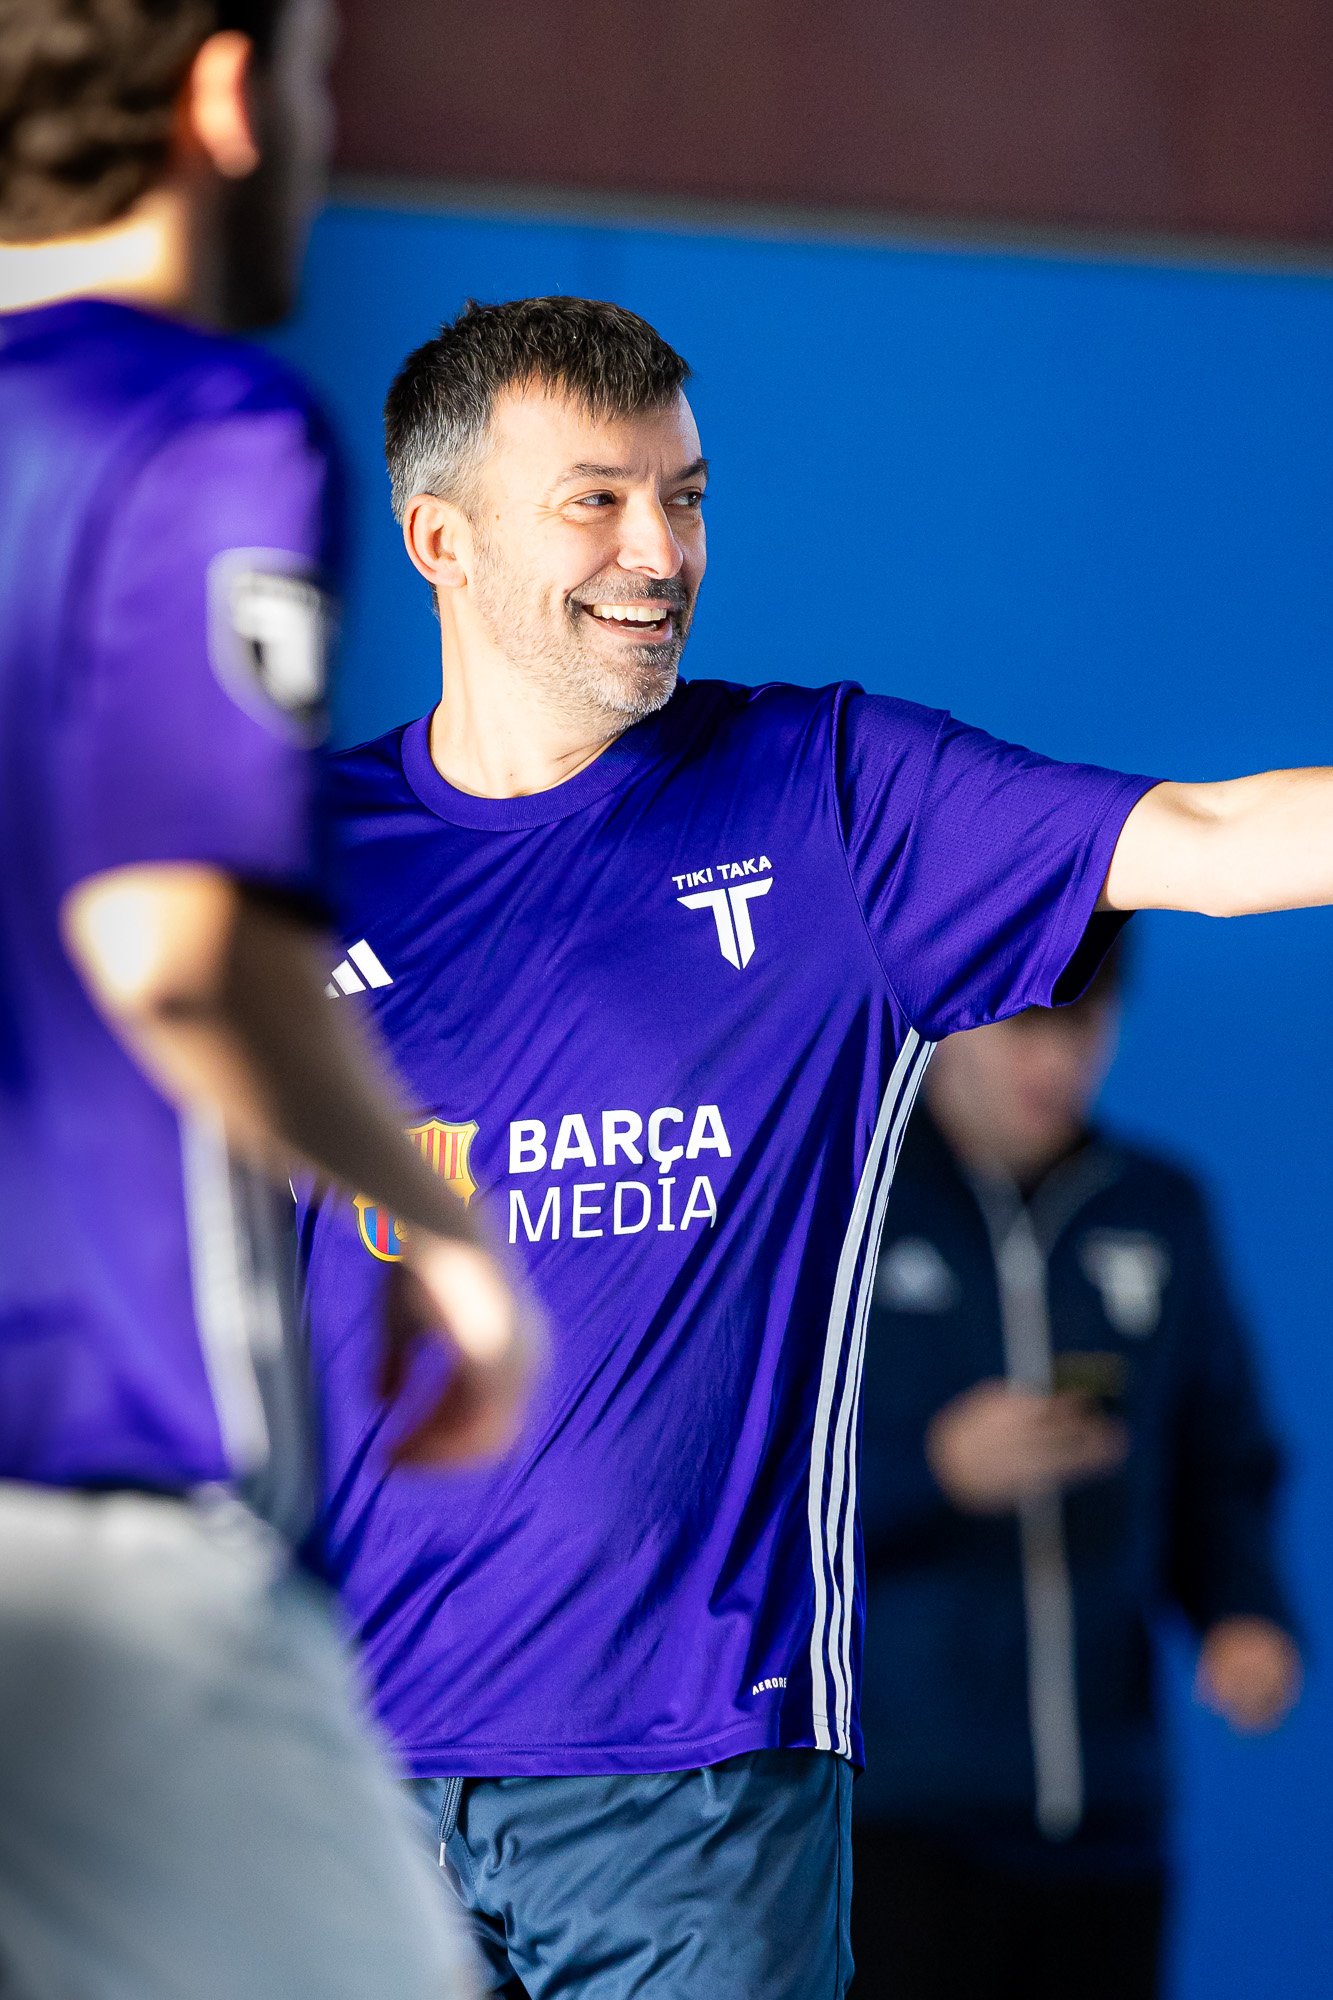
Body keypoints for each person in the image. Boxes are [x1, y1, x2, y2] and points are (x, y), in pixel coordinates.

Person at [297, 294, 1331, 2000]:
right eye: (596, 500)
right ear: (440, 540)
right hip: (336, 1775)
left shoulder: (830, 799)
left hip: (693, 1782)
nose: (660, 553)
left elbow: (1214, 841)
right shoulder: (291, 858)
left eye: (686, 497)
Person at [0, 8, 535, 1997]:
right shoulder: (199, 423)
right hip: (100, 1503)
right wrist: (435, 1223)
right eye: (317, 76)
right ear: (224, 97)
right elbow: (179, 944)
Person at [852, 942, 1301, 1999]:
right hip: (894, 1812)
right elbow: (743, 1488)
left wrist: (1242, 1609)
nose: (1055, 1062)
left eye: (1085, 1025)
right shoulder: (845, 1207)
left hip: (1109, 1812)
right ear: (949, 1020)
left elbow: (1217, 1456)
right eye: (1026, 1027)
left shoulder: (1158, 1206)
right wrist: (932, 1467)